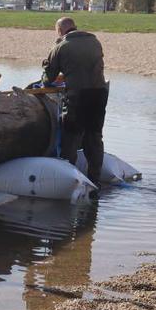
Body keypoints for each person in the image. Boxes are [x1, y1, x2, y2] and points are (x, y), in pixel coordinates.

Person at [42, 17, 108, 185]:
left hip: (77, 97)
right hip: (99, 94)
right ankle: (95, 179)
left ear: (60, 31)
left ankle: (68, 181)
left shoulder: (61, 46)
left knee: (71, 136)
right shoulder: (94, 41)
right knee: (94, 137)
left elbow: (47, 79)